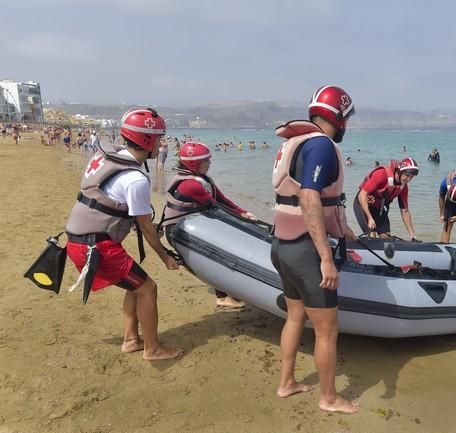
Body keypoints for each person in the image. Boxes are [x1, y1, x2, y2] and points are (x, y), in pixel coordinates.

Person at [65, 108, 183, 361]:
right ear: (147, 140)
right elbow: (145, 226)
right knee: (148, 289)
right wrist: (166, 258)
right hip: (95, 248)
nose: (163, 144)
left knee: (135, 285)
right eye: (160, 139)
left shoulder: (109, 156)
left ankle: (132, 340)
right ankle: (153, 349)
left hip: (79, 240)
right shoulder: (135, 179)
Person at [270, 85, 359, 414]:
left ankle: (286, 383)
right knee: (327, 331)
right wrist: (325, 258)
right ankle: (329, 398)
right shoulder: (321, 146)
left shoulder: (296, 143)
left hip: (281, 245)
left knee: (294, 317)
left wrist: (344, 228)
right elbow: (309, 197)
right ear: (339, 116)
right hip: (306, 252)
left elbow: (310, 200)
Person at [160, 140, 255, 308]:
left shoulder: (200, 179)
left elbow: (222, 198)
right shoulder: (191, 185)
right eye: (206, 161)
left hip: (191, 227)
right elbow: (216, 205)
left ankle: (228, 293)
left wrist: (243, 212)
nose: (210, 163)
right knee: (218, 256)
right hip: (177, 231)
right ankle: (222, 297)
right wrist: (241, 220)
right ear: (194, 163)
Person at [353, 157, 419, 240]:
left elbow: (404, 211)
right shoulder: (382, 174)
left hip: (378, 208)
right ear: (400, 171)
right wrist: (370, 218)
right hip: (362, 205)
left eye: (412, 177)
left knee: (386, 238)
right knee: (372, 236)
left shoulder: (403, 187)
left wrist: (412, 234)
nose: (408, 179)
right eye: (407, 175)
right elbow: (362, 195)